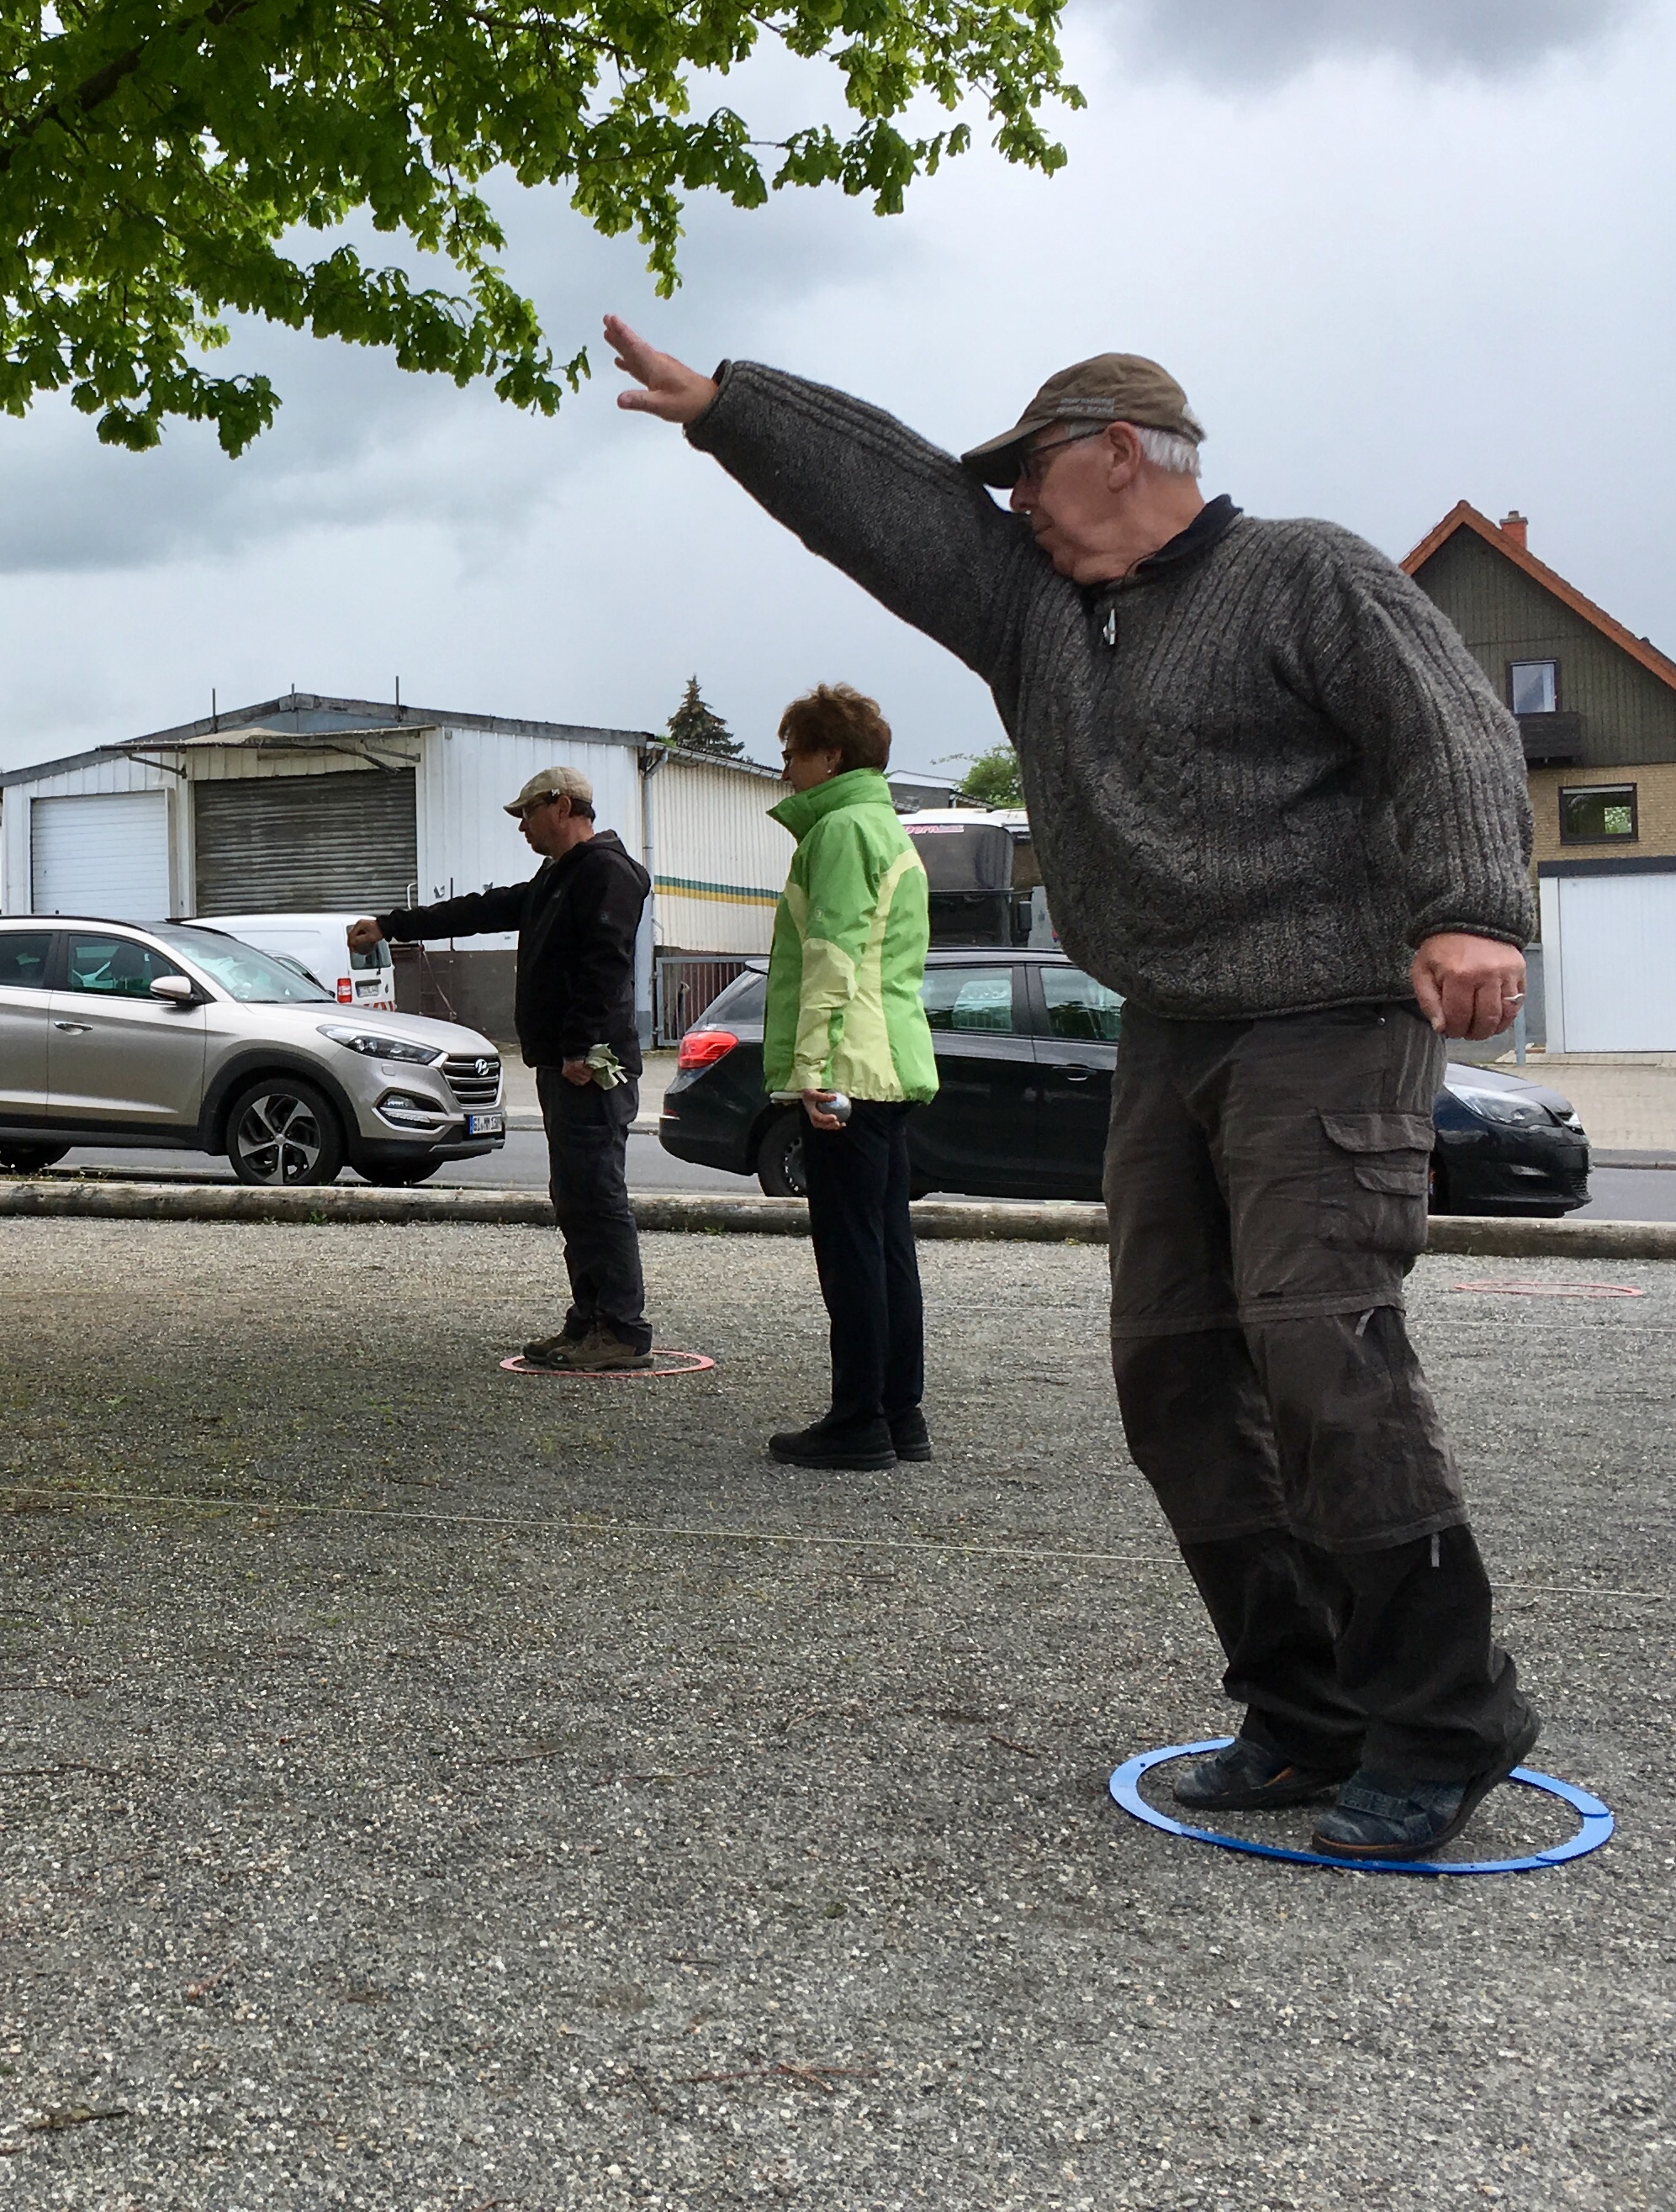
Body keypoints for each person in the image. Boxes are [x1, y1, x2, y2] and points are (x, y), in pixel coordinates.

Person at [606, 323, 1540, 1864]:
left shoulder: (1305, 574)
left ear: (1120, 450)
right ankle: (1304, 1708)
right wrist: (734, 412)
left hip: (1328, 1008)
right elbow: (905, 516)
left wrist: (1473, 905)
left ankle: (1445, 1716)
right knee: (1171, 1368)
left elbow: (1448, 724)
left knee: (1319, 1343)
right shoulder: (1039, 615)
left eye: (1032, 471)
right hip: (1171, 1022)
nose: (1015, 504)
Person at [348, 767, 655, 1368]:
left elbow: (605, 966)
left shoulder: (606, 872)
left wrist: (579, 1048)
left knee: (597, 1195)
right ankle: (589, 1319)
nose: (521, 828)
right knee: (574, 1195)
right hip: (563, 1064)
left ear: (562, 806)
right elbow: (483, 910)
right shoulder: (558, 876)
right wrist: (392, 925)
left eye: (527, 814)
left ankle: (622, 1328)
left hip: (590, 1068)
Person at [758, 688, 938, 1473]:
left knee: (851, 1252)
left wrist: (812, 1071)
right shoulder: (887, 828)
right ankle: (901, 1415)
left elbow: (830, 956)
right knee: (888, 1245)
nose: (786, 770)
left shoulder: (837, 831)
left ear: (831, 756)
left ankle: (858, 1420)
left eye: (793, 753)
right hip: (890, 1063)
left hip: (847, 1069)